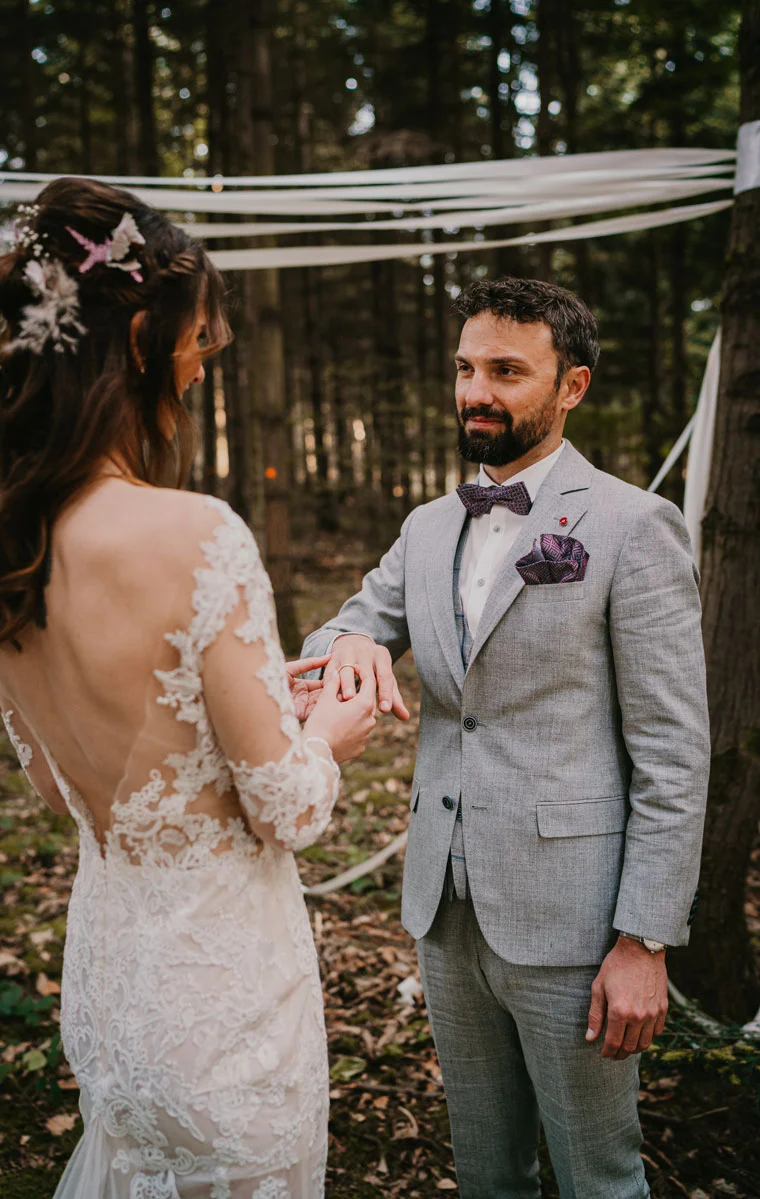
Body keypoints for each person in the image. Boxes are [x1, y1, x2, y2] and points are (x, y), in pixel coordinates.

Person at [0, 177, 377, 1199]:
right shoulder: (196, 534)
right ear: (141, 338)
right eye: (197, 340)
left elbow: (71, 783)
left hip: (112, 984)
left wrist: (252, 696)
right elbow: (287, 804)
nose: (202, 365)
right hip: (222, 993)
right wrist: (330, 724)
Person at [303, 277, 710, 1198]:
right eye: (465, 367)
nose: (475, 390)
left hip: (576, 922)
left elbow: (675, 753)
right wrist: (354, 643)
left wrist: (644, 940)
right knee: (487, 1170)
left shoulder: (634, 526)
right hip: (443, 911)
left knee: (599, 1173)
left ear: (572, 386)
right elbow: (336, 632)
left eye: (505, 371)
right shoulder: (426, 524)